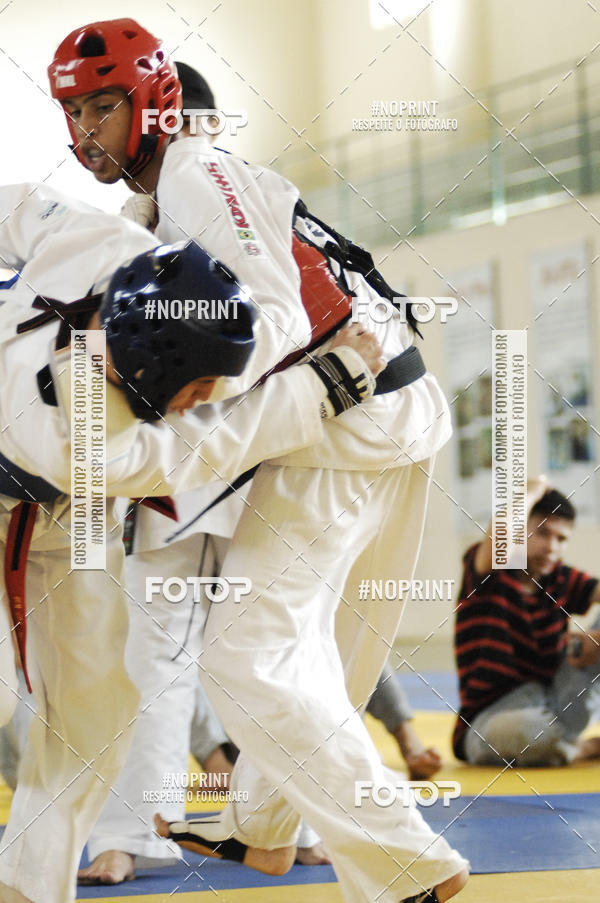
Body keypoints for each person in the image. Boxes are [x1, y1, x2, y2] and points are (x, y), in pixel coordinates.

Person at [48, 20, 469, 903]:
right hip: (384, 406)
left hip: (350, 416)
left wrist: (186, 373)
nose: (86, 131)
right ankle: (266, 829)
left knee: (248, 652)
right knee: (318, 657)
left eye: (102, 108)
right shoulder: (155, 208)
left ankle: (404, 866)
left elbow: (269, 310)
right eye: (73, 112)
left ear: (154, 101)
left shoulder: (199, 170)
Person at [0, 181, 382, 903]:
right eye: (196, 387)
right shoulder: (96, 439)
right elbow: (218, 440)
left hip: (65, 511)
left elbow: (11, 204)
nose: (206, 396)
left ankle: (26, 886)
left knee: (96, 709)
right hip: (29, 464)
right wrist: (332, 381)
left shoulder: (119, 249)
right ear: (148, 372)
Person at [453, 475, 600, 766]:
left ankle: (560, 744)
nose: (552, 547)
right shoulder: (491, 575)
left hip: (557, 701)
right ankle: (577, 749)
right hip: (492, 720)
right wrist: (532, 490)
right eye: (543, 534)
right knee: (527, 730)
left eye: (561, 539)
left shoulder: (561, 578)